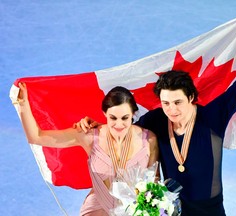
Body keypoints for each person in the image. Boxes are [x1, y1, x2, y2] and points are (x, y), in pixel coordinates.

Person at [74, 5, 236, 216]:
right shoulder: (156, 120)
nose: (171, 109)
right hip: (171, 209)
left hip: (211, 211)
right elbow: (124, 130)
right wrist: (97, 125)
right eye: (166, 103)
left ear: (191, 98)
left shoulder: (212, 116)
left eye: (177, 102)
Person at [16, 85, 159, 216]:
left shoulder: (149, 140)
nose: (119, 124)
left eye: (125, 118)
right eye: (113, 118)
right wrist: (23, 105)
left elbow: (154, 182)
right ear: (104, 113)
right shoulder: (89, 135)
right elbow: (37, 137)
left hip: (134, 212)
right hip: (96, 211)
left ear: (134, 113)